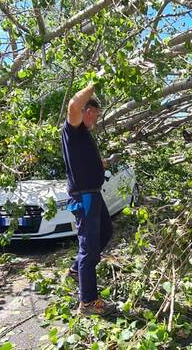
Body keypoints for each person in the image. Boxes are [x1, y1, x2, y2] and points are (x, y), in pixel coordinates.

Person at [61, 82, 116, 316]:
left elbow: (85, 164)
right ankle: (88, 302)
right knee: (89, 247)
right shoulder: (72, 129)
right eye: (93, 113)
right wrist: (96, 81)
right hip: (85, 197)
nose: (95, 118)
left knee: (106, 232)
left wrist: (103, 163)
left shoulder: (82, 136)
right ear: (86, 111)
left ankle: (76, 271)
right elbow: (73, 104)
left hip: (93, 194)